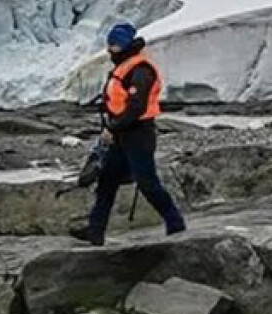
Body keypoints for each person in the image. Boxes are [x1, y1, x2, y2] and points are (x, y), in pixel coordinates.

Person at [71, 22, 186, 244]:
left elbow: (136, 107)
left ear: (124, 45)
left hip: (138, 134)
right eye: (109, 44)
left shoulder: (140, 70)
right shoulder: (124, 65)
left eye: (113, 45)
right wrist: (109, 127)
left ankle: (175, 222)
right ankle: (95, 231)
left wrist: (112, 127)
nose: (109, 49)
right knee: (107, 181)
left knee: (146, 182)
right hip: (120, 133)